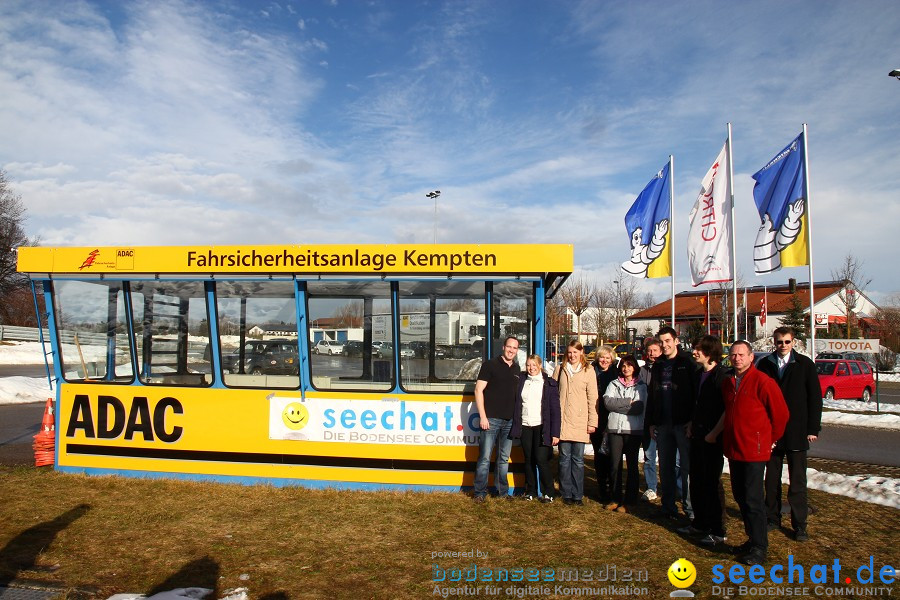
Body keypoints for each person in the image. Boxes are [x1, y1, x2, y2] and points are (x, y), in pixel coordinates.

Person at [722, 340, 789, 566]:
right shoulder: (729, 382)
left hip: (754, 451)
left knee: (753, 499)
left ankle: (760, 547)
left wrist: (769, 439)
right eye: (733, 355)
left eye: (741, 355)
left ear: (751, 357)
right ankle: (752, 540)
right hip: (734, 449)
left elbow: (780, 415)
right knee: (740, 496)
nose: (737, 358)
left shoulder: (763, 382)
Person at [757, 327, 822, 542]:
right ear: (773, 343)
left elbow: (815, 399)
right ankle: (772, 519)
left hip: (797, 432)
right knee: (771, 480)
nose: (783, 346)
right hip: (773, 433)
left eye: (786, 342)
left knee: (797, 482)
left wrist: (813, 429)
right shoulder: (765, 365)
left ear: (793, 342)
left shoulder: (805, 365)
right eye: (779, 342)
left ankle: (800, 525)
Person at [679, 335, 728, 546]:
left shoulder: (722, 376)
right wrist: (691, 423)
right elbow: (696, 404)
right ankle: (700, 523)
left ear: (709, 352)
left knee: (712, 482)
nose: (694, 352)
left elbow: (726, 410)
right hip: (697, 435)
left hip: (713, 438)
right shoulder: (699, 374)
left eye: (698, 349)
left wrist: (714, 433)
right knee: (696, 479)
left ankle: (718, 529)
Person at [645, 326, 698, 521]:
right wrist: (651, 422)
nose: (665, 345)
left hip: (683, 425)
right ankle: (668, 508)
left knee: (686, 469)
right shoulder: (658, 366)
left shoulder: (688, 363)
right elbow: (653, 396)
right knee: (665, 467)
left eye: (668, 341)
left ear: (676, 341)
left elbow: (695, 395)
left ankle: (690, 510)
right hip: (663, 424)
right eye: (662, 342)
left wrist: (692, 420)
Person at [472, 336, 521, 502]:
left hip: (509, 421)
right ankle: (479, 493)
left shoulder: (516, 368)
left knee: (503, 459)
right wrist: (483, 416)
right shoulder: (489, 365)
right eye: (509, 347)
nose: (511, 350)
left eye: (514, 348)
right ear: (503, 347)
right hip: (490, 420)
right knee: (485, 458)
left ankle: (502, 492)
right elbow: (478, 390)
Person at [553, 340, 599, 506]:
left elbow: (593, 398)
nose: (572, 356)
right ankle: (566, 493)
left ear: (581, 353)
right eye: (570, 352)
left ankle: (577, 494)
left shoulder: (589, 371)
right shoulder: (560, 369)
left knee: (578, 460)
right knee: (564, 459)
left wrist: (592, 422)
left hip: (580, 422)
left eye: (575, 352)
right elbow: (552, 394)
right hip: (563, 421)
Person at [510, 354, 561, 503]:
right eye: (528, 365)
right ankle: (530, 490)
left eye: (534, 365)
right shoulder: (521, 381)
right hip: (525, 425)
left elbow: (555, 411)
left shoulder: (549, 384)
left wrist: (555, 433)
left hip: (541, 427)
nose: (531, 368)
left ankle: (549, 492)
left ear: (540, 366)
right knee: (528, 460)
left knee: (541, 459)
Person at [603, 355, 647, 513]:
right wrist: (628, 402)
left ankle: (630, 501)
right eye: (623, 365)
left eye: (629, 365)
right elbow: (608, 403)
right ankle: (615, 498)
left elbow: (638, 408)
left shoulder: (641, 386)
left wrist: (619, 404)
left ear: (634, 367)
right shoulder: (613, 384)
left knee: (632, 467)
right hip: (615, 428)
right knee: (615, 465)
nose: (626, 368)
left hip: (632, 430)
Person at [590, 345, 618, 502]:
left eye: (608, 358)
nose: (604, 360)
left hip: (612, 417)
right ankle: (602, 487)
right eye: (602, 357)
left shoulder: (616, 373)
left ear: (612, 359)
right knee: (599, 454)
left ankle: (612, 486)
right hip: (596, 417)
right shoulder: (590, 371)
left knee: (612, 455)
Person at [639, 337, 662, 501]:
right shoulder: (642, 371)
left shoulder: (666, 369)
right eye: (650, 351)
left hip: (664, 420)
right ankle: (651, 487)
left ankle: (674, 487)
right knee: (649, 456)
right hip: (647, 420)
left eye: (655, 350)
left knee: (673, 459)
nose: (652, 354)